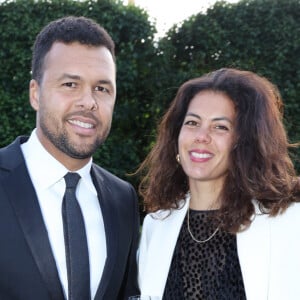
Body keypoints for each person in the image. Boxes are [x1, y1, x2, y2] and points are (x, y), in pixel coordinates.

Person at [0, 16, 140, 300]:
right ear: (35, 94)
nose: (88, 102)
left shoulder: (123, 199)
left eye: (102, 88)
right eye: (70, 84)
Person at [137, 68, 300, 300]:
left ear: (245, 142)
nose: (201, 136)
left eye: (220, 126)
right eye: (192, 122)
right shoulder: (156, 225)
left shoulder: (289, 221)